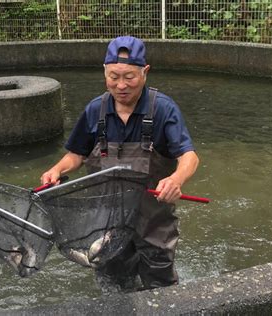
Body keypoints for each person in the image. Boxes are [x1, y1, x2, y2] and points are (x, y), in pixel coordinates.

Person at [40, 35, 199, 293]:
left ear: (145, 72)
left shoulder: (163, 109)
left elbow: (189, 157)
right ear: (105, 72)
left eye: (129, 77)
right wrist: (57, 169)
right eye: (114, 77)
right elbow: (77, 155)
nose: (121, 85)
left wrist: (176, 180)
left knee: (163, 290)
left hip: (154, 223)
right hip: (107, 224)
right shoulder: (95, 110)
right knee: (114, 290)